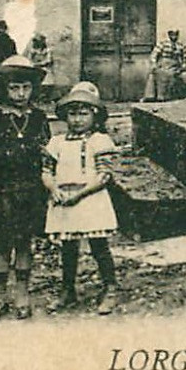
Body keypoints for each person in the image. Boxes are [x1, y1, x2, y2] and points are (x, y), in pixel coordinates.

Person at [0, 56, 51, 320]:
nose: (20, 94)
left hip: (31, 190)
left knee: (25, 243)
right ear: (4, 88)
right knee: (3, 244)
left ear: (33, 89)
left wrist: (50, 187)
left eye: (26, 88)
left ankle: (22, 293)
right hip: (2, 190)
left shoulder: (39, 118)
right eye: (14, 88)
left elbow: (47, 156)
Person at [44, 82, 120, 314]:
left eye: (83, 113)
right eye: (72, 114)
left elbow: (104, 175)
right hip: (64, 199)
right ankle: (68, 290)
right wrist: (53, 189)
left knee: (99, 246)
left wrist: (80, 194)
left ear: (94, 116)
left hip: (90, 198)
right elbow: (46, 171)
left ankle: (110, 288)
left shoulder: (100, 141)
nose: (77, 119)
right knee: (68, 247)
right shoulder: (56, 142)